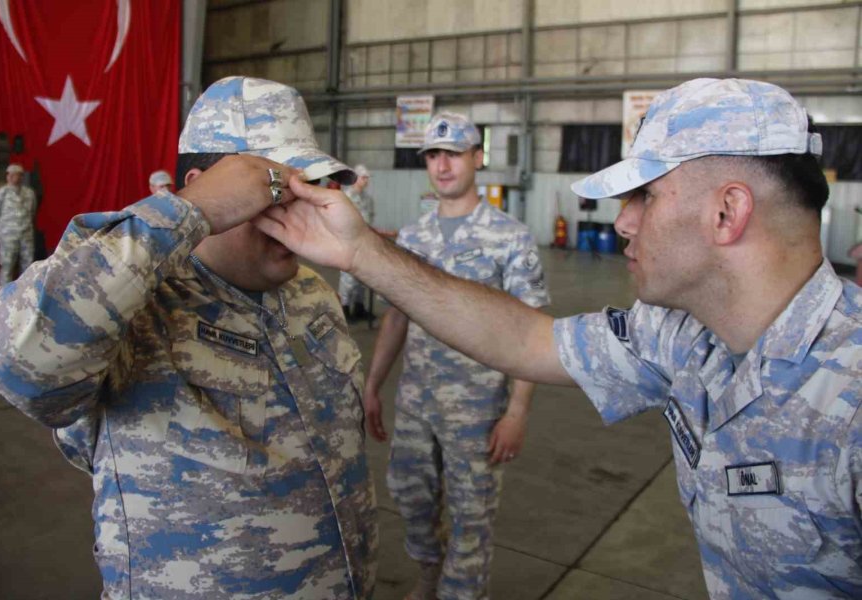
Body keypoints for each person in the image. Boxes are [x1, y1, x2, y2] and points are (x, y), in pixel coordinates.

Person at [257, 78, 862, 599]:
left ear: (727, 213)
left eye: (644, 196)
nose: (622, 221)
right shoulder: (679, 337)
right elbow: (527, 338)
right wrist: (363, 251)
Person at [0, 76, 378, 599]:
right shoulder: (137, 306)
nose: (302, 211)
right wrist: (187, 211)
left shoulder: (310, 293)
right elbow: (15, 360)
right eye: (275, 192)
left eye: (309, 187)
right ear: (207, 189)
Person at [364, 113, 549, 600]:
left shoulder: (509, 238)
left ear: (477, 158)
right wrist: (371, 387)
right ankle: (429, 575)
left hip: (477, 408)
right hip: (416, 403)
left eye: (453, 154)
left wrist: (517, 411)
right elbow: (396, 319)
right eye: (433, 155)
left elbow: (532, 333)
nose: (442, 165)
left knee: (473, 516)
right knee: (409, 497)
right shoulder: (414, 237)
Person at [0, 162, 37, 286]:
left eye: (20, 175)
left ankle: (24, 294)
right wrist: (4, 227)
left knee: (27, 266)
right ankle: (3, 297)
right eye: (14, 175)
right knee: (7, 266)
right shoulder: (1, 193)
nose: (17, 177)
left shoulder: (29, 193)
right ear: (8, 176)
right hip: (8, 235)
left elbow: (32, 211)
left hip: (26, 235)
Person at [339, 164, 375, 321]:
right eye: (363, 177)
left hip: (365, 242)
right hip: (348, 242)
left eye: (368, 178)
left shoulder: (368, 199)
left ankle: (359, 308)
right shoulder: (345, 197)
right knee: (348, 277)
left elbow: (370, 218)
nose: (366, 181)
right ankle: (344, 309)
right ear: (355, 177)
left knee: (363, 276)